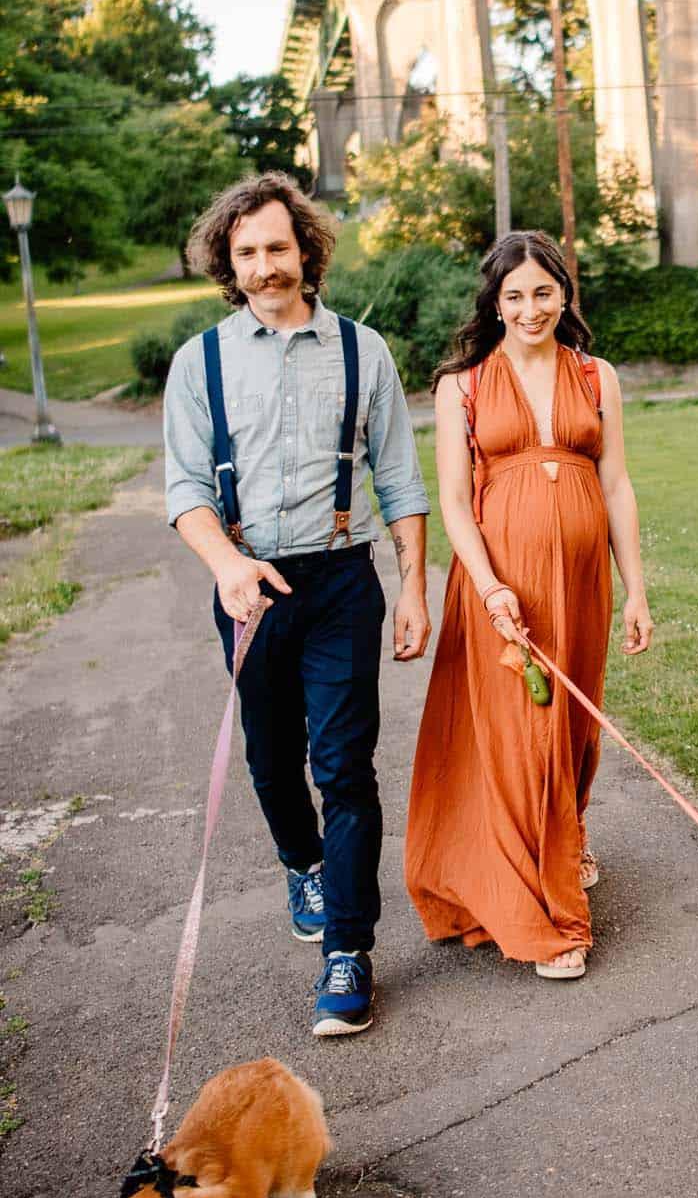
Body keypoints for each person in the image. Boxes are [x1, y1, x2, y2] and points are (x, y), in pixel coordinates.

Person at [163, 172, 431, 1038]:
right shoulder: (199, 361)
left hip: (341, 582)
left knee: (344, 769)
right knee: (273, 761)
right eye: (246, 253)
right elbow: (185, 488)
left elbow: (399, 480)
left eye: (278, 247)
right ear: (226, 263)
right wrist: (225, 565)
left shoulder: (364, 352)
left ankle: (348, 953)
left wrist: (413, 589)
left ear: (306, 251)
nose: (264, 266)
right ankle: (300, 861)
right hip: (249, 589)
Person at [405, 230, 652, 979]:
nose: (530, 308)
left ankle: (563, 842)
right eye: (514, 295)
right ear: (495, 302)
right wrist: (489, 586)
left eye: (543, 291)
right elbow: (452, 499)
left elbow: (614, 485)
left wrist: (636, 588)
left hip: (581, 584)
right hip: (502, 586)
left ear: (564, 294)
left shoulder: (595, 375)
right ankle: (542, 916)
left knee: (573, 729)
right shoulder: (464, 384)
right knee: (522, 738)